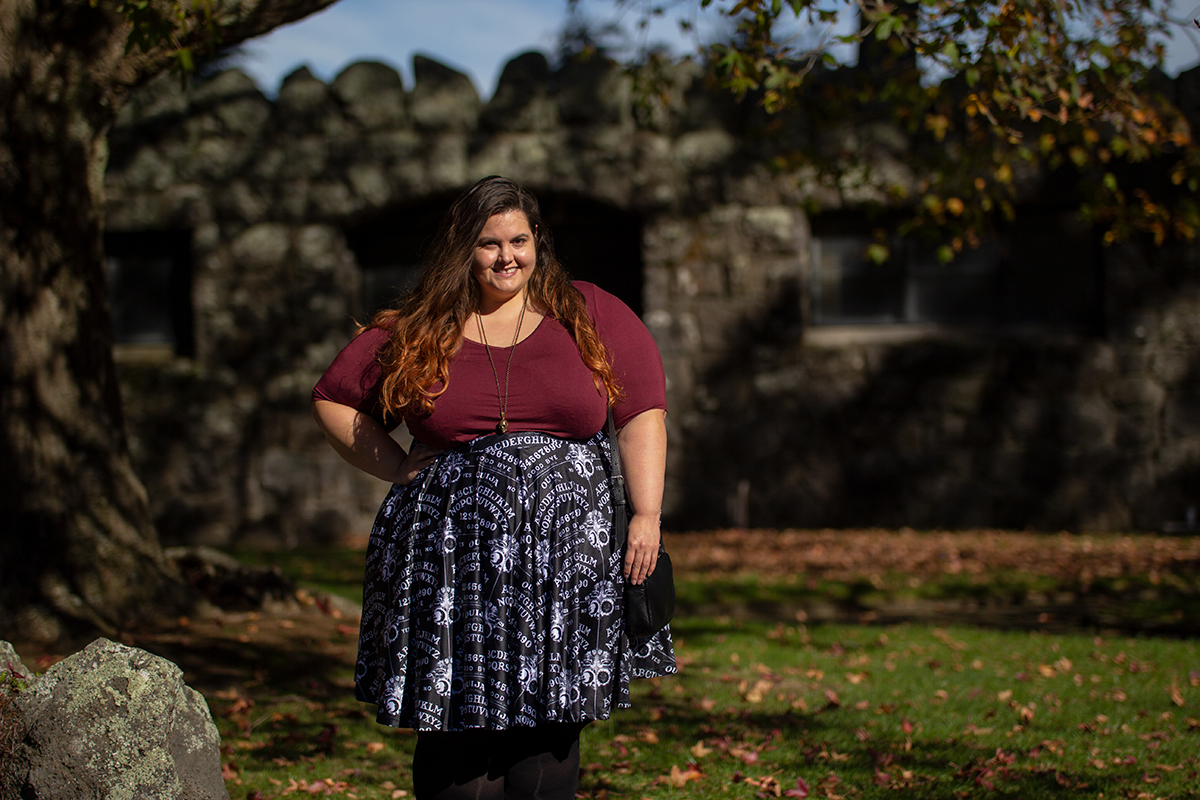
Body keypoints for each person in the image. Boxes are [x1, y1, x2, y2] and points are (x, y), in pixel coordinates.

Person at [311, 175, 676, 800]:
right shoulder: (423, 327)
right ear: (464, 251)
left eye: (519, 239)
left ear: (538, 244)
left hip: (566, 561)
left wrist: (646, 514)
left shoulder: (589, 312)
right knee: (457, 728)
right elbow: (336, 399)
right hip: (451, 560)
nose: (507, 256)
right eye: (488, 243)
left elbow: (642, 409)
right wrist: (396, 464)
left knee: (550, 726)